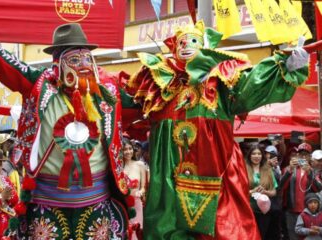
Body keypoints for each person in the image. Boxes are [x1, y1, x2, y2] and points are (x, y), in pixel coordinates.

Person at [126, 20, 310, 239]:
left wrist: (284, 67)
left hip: (218, 179)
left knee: (226, 229)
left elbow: (252, 85)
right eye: (181, 42)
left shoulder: (222, 82)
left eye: (193, 41)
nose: (186, 46)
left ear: (204, 46)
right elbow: (125, 104)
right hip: (167, 185)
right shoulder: (158, 85)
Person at [0, 9, 131, 239]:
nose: (82, 64)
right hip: (47, 202)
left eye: (86, 58)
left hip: (96, 202)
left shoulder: (107, 91)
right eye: (74, 58)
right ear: (58, 63)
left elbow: (147, 109)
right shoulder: (38, 85)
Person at [280, 143, 322, 240]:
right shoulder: (288, 169)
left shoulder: (313, 171)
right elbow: (280, 187)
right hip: (291, 211)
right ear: (297, 155)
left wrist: (310, 173)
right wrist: (289, 170)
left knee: (308, 237)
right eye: (301, 154)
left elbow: (319, 188)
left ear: (309, 157)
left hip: (308, 212)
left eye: (306, 154)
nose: (303, 156)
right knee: (293, 237)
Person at [246, 145, 277, 239]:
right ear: (249, 156)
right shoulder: (243, 169)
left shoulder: (268, 170)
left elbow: (274, 192)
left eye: (259, 154)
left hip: (264, 211)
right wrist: (252, 191)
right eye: (254, 153)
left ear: (262, 156)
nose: (257, 156)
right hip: (248, 210)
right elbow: (239, 192)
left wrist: (265, 192)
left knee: (261, 235)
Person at [122, 138, 146, 240]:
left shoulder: (140, 165)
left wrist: (140, 192)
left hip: (136, 204)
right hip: (122, 204)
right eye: (125, 149)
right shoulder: (118, 167)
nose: (128, 152)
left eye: (130, 148)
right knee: (124, 232)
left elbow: (143, 188)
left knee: (137, 231)